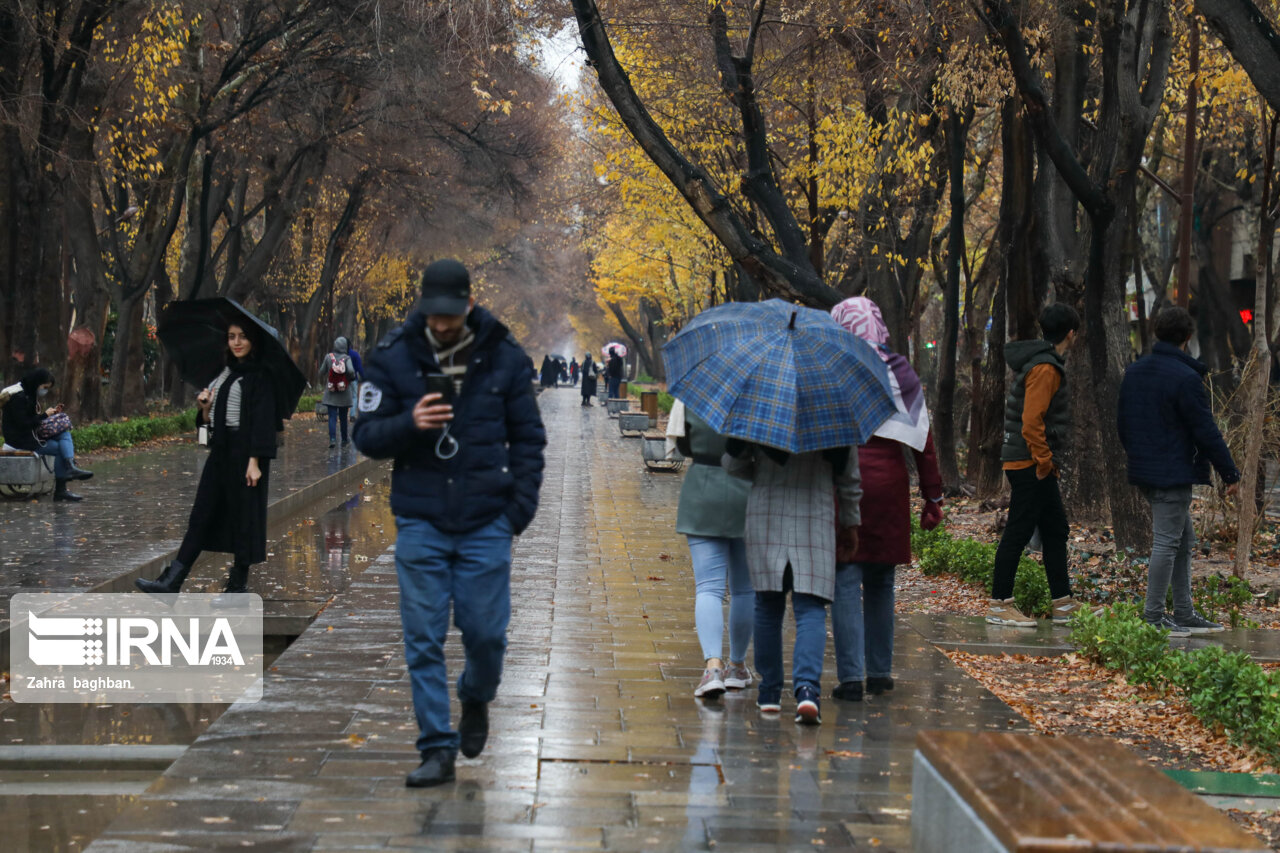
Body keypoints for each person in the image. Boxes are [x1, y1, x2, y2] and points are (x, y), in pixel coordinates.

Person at [352, 258, 546, 789]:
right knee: (422, 639)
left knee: (486, 635)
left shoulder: (504, 357)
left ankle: (476, 696)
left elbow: (529, 441)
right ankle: (436, 747)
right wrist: (409, 424)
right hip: (421, 518)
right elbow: (365, 436)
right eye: (432, 315)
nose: (440, 325)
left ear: (469, 305)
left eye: (450, 316)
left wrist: (516, 513)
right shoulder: (392, 357)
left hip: (488, 520)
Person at [829, 297, 943, 701]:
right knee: (880, 581)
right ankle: (879, 672)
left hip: (845, 482)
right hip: (890, 486)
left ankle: (850, 678)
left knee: (845, 578)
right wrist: (933, 496)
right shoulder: (901, 371)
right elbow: (923, 437)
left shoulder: (834, 366)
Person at [1118, 306, 1238, 636]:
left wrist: (1138, 456)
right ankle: (1153, 616)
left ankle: (1183, 612)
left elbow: (1123, 424)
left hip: (1145, 470)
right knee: (1168, 544)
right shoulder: (1186, 378)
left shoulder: (1135, 371)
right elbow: (1206, 430)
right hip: (1172, 472)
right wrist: (1230, 473)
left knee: (1183, 541)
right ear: (1187, 337)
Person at [135, 321, 278, 596]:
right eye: (232, 337)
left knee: (243, 519)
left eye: (243, 337)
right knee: (201, 515)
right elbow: (206, 431)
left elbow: (263, 421)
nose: (237, 343)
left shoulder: (261, 375)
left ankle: (237, 586)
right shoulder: (223, 374)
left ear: (253, 342)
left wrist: (255, 462)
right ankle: (171, 582)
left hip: (246, 455)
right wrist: (204, 410)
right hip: (222, 453)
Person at [724, 441, 861, 726]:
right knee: (811, 609)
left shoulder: (762, 413)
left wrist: (761, 471)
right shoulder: (833, 418)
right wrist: (850, 523)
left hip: (766, 516)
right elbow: (849, 478)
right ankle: (808, 690)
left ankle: (770, 692)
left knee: (767, 607)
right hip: (816, 519)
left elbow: (732, 465)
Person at [986, 303, 1089, 627]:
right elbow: (1031, 422)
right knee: (1018, 530)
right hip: (1030, 461)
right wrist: (1044, 461)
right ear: (1071, 333)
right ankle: (1000, 604)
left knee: (1055, 527)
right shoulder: (1045, 368)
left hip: (1032, 460)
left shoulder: (1041, 363)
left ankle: (1063, 603)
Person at [667, 400, 754, 701]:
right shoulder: (759, 390)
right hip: (748, 490)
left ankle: (712, 668)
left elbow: (685, 446)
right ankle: (737, 668)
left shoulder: (697, 391)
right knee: (744, 590)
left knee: (708, 587)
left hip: (702, 491)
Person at [1, 367, 93, 501]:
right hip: (21, 441)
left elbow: (31, 419)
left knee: (64, 433)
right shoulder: (18, 397)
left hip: (31, 435)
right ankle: (62, 486)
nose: (44, 390)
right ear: (37, 382)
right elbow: (24, 424)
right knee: (60, 449)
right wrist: (44, 415)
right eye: (44, 387)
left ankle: (70, 467)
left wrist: (49, 415)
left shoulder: (29, 393)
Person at [319, 337, 356, 448]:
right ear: (345, 346)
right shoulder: (347, 358)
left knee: (332, 417)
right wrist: (350, 378)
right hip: (344, 392)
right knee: (343, 417)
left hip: (331, 391)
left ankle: (333, 439)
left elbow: (321, 372)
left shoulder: (328, 357)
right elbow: (350, 371)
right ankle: (344, 439)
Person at [347, 344, 365, 420]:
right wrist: (364, 376)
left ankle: (341, 414)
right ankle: (352, 415)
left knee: (342, 396)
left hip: (342, 379)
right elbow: (359, 367)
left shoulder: (341, 354)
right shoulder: (355, 354)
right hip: (353, 379)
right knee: (354, 396)